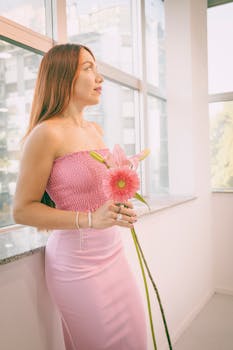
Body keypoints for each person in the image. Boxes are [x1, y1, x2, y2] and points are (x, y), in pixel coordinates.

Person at [13, 43, 147, 350]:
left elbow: (95, 192)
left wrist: (119, 206)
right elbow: (22, 210)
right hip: (78, 268)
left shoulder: (95, 129)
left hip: (114, 256)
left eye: (96, 68)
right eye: (88, 68)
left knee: (136, 340)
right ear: (62, 77)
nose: (99, 77)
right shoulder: (45, 134)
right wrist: (90, 219)